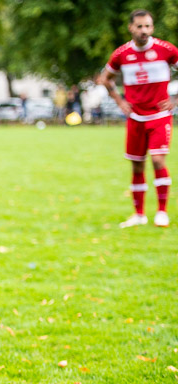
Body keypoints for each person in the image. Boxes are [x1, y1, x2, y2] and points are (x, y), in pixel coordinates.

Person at [98, 9, 177, 228]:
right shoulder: (121, 54)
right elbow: (106, 78)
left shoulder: (166, 50)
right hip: (135, 117)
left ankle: (162, 211)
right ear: (131, 27)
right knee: (137, 165)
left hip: (159, 115)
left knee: (158, 160)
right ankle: (139, 214)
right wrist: (120, 101)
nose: (144, 31)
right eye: (140, 26)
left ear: (152, 27)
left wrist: (175, 99)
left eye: (148, 26)